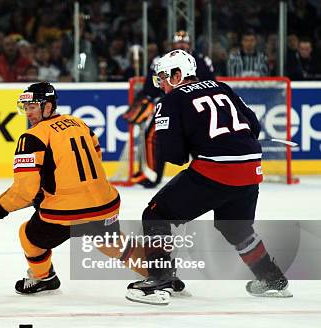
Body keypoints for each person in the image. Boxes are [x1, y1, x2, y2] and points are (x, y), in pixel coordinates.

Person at [125, 49, 292, 305]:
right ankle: (273, 279)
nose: (161, 84)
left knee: (157, 214)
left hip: (216, 170)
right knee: (235, 227)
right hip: (251, 169)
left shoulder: (171, 100)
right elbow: (254, 126)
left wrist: (189, 143)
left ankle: (159, 280)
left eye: (163, 77)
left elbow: (174, 155)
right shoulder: (222, 87)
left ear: (178, 75)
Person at [0, 82, 121, 294]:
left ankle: (44, 277)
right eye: (25, 107)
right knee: (112, 246)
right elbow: (95, 157)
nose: (28, 113)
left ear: (48, 106)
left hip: (67, 211)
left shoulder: (32, 137)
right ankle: (161, 274)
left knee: (28, 235)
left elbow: (24, 191)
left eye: (32, 107)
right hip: (107, 204)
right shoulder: (78, 123)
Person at [124, 31, 215, 188]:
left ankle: (209, 172)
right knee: (153, 135)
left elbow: (210, 83)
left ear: (190, 44)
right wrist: (148, 99)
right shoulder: (161, 61)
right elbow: (151, 87)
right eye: (178, 43)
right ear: (172, 45)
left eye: (184, 42)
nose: (181, 45)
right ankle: (152, 175)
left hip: (195, 106)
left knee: (199, 137)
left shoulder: (201, 61)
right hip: (169, 105)